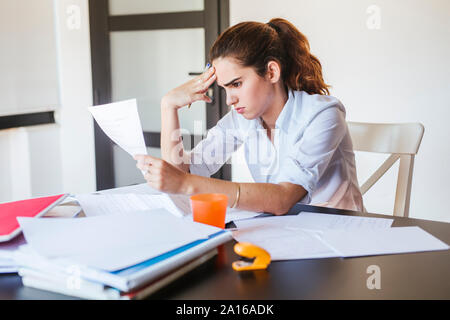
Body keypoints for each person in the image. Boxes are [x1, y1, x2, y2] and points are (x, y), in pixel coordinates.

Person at [135, 18, 363, 214]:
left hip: (338, 238)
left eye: (236, 84)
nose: (229, 100)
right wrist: (169, 106)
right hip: (284, 232)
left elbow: (283, 198)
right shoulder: (242, 119)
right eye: (224, 88)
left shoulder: (323, 114)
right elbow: (182, 172)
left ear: (271, 72)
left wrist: (186, 184)